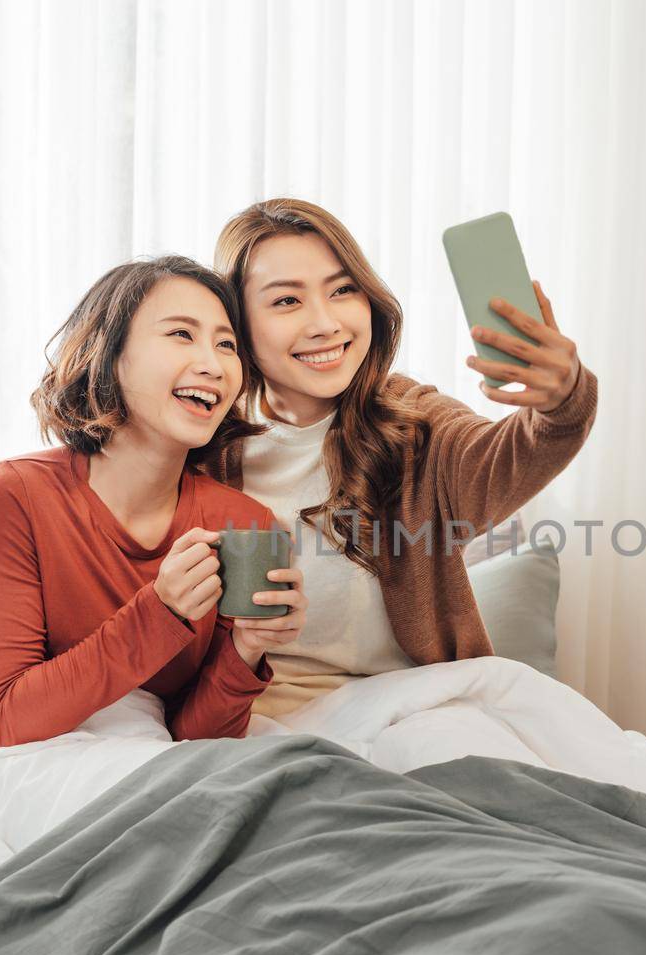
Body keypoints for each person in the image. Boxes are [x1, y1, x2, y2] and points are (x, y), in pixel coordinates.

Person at [206, 198, 597, 719]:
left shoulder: (415, 422)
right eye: (286, 302)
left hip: (414, 715)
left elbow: (507, 457)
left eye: (343, 290)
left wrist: (561, 398)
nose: (325, 323)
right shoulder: (206, 447)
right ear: (238, 325)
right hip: (261, 722)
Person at [0, 256, 307, 748]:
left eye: (227, 345)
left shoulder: (243, 524)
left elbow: (196, 741)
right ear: (109, 353)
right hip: (14, 758)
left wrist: (246, 650)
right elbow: (7, 721)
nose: (213, 364)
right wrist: (161, 613)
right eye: (181, 334)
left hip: (148, 760)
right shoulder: (16, 494)